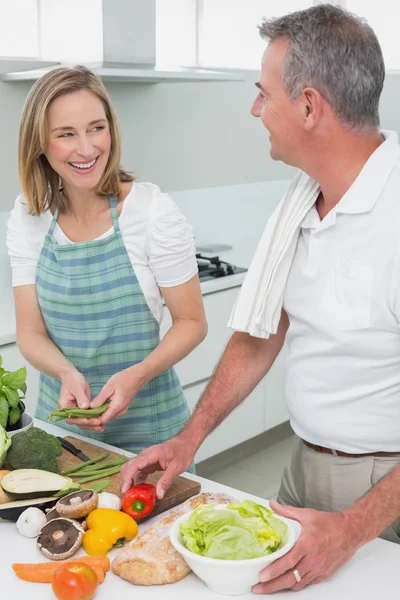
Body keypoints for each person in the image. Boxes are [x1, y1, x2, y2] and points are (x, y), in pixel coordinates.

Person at [120, 3, 400, 592]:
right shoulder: (304, 199)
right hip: (303, 469)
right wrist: (187, 440)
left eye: (262, 93)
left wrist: (351, 528)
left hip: (382, 497)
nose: (254, 110)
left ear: (308, 106)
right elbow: (259, 331)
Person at [6, 65, 207, 460]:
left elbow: (192, 322)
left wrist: (138, 374)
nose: (86, 148)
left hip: (152, 435)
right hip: (62, 436)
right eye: (66, 134)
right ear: (40, 144)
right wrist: (66, 372)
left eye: (96, 128)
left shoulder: (151, 212)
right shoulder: (28, 218)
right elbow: (29, 332)